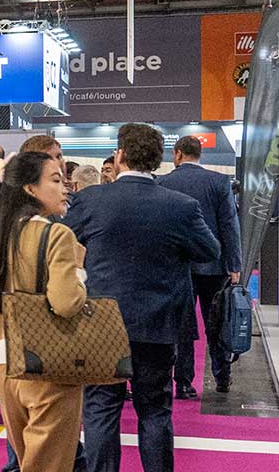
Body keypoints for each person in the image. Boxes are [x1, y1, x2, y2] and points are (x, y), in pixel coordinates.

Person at [66, 123, 219, 472]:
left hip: (101, 321)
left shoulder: (90, 200)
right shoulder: (181, 206)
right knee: (155, 410)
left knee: (101, 407)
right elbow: (209, 251)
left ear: (119, 156)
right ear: (159, 159)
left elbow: (62, 239)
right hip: (158, 322)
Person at [0, 151, 91, 472]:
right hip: (50, 369)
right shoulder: (57, 235)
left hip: (6, 368)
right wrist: (78, 267)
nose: (64, 186)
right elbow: (67, 303)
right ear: (29, 188)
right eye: (54, 179)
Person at [158, 135, 244, 396]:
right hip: (214, 266)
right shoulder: (219, 182)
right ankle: (222, 377)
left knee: (182, 325)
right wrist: (234, 264)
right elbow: (230, 225)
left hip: (177, 266)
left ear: (178, 153)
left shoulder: (163, 183)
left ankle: (183, 383)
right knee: (216, 322)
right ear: (199, 154)